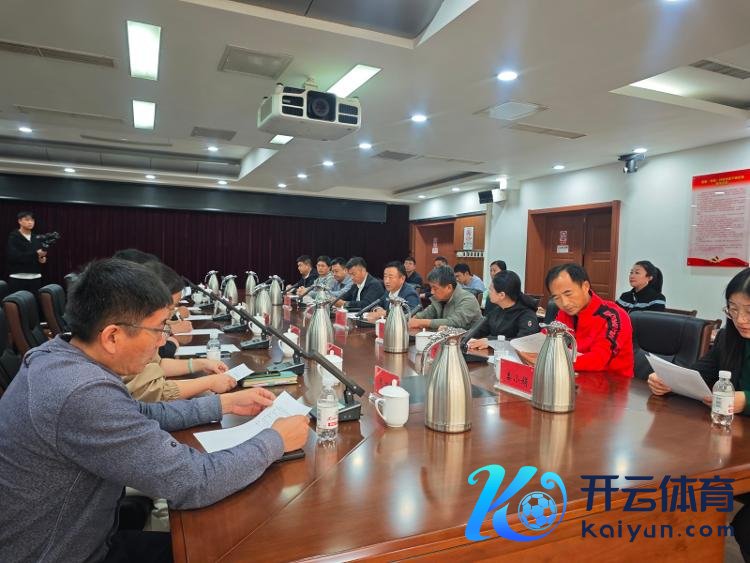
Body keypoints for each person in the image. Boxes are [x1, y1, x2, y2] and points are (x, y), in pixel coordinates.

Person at [0, 258, 309, 563]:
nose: (162, 342)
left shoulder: (60, 355)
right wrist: (275, 440)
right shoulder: (82, 391)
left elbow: (139, 414)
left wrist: (221, 403)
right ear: (112, 336)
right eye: (158, 329)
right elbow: (194, 482)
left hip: (84, 536)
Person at [647, 268, 750, 559]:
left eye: (749, 310)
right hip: (731, 448)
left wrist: (746, 400)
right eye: (733, 309)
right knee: (675, 478)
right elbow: (701, 373)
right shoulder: (730, 337)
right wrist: (669, 380)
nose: (741, 319)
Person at [126, 261, 235, 402]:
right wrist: (209, 383)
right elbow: (153, 393)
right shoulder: (131, 334)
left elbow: (157, 365)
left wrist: (202, 363)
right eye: (172, 307)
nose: (174, 313)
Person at [519, 263, 634, 378]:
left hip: (612, 384)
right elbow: (546, 340)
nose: (565, 303)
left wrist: (550, 362)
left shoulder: (614, 317)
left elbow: (598, 360)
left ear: (585, 286)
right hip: (572, 377)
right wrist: (527, 351)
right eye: (557, 298)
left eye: (568, 294)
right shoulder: (565, 313)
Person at [467, 271, 540, 349]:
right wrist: (465, 336)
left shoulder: (526, 315)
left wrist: (491, 342)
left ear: (502, 295)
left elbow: (523, 343)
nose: (488, 292)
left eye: (491, 290)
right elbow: (479, 331)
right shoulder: (497, 311)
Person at [408, 266, 482, 330]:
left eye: (435, 288)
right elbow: (427, 313)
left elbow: (454, 322)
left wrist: (421, 322)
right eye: (431, 288)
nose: (432, 292)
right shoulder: (440, 298)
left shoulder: (468, 299)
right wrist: (414, 318)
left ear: (449, 287)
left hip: (471, 340)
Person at [6, 211, 47, 295]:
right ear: (19, 221)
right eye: (27, 220)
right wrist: (36, 254)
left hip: (36, 277)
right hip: (18, 277)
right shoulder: (14, 237)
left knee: (35, 302)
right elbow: (14, 256)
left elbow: (38, 255)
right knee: (18, 302)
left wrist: (42, 259)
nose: (30, 222)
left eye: (32, 220)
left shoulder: (36, 237)